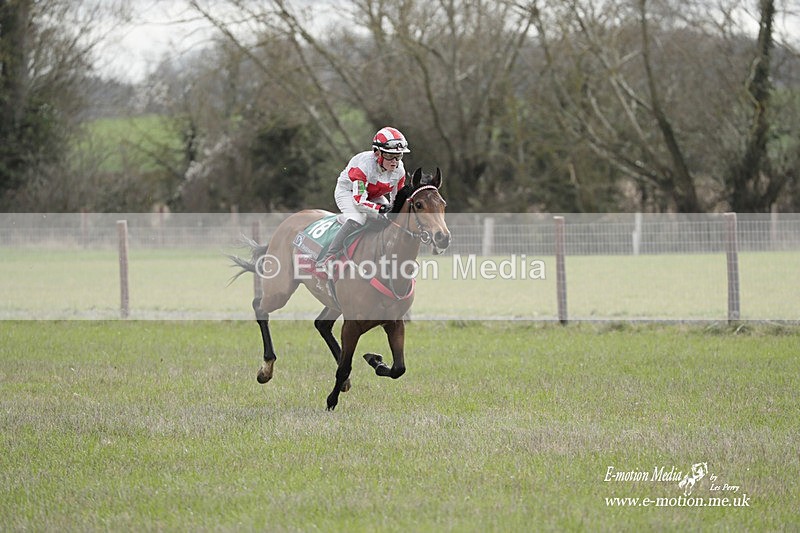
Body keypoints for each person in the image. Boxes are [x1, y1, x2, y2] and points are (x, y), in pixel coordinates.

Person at [319, 126, 411, 264]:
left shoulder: (400, 170)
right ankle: (327, 257)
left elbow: (397, 200)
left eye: (398, 156)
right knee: (358, 218)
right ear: (377, 153)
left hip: (372, 195)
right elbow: (359, 201)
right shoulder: (364, 166)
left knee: (389, 219)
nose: (394, 161)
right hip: (348, 193)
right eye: (389, 156)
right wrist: (381, 209)